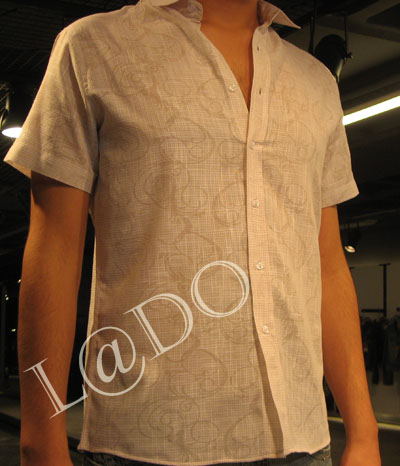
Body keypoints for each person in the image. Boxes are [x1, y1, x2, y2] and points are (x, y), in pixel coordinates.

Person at [3, 0, 381, 465]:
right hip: (147, 441)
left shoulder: (317, 83)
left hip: (303, 441)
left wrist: (364, 433)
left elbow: (326, 264)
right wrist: (40, 441)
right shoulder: (94, 48)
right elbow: (56, 249)